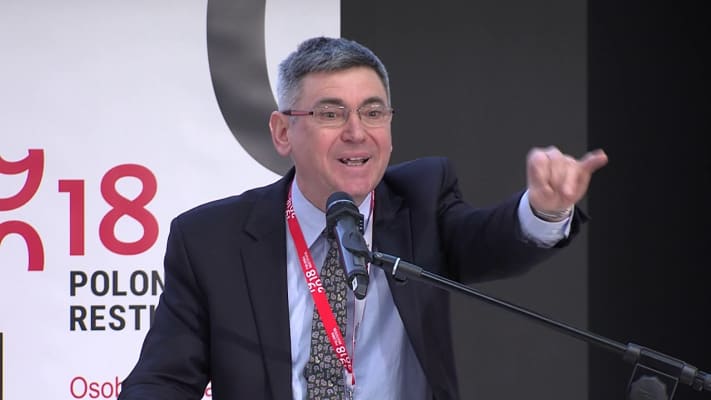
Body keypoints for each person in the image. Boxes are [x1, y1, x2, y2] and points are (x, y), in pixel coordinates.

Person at [118, 36, 608, 400]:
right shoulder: (212, 241)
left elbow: (487, 240)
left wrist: (544, 209)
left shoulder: (420, 202)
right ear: (283, 132)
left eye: (373, 113)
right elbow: (161, 382)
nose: (357, 132)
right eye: (331, 114)